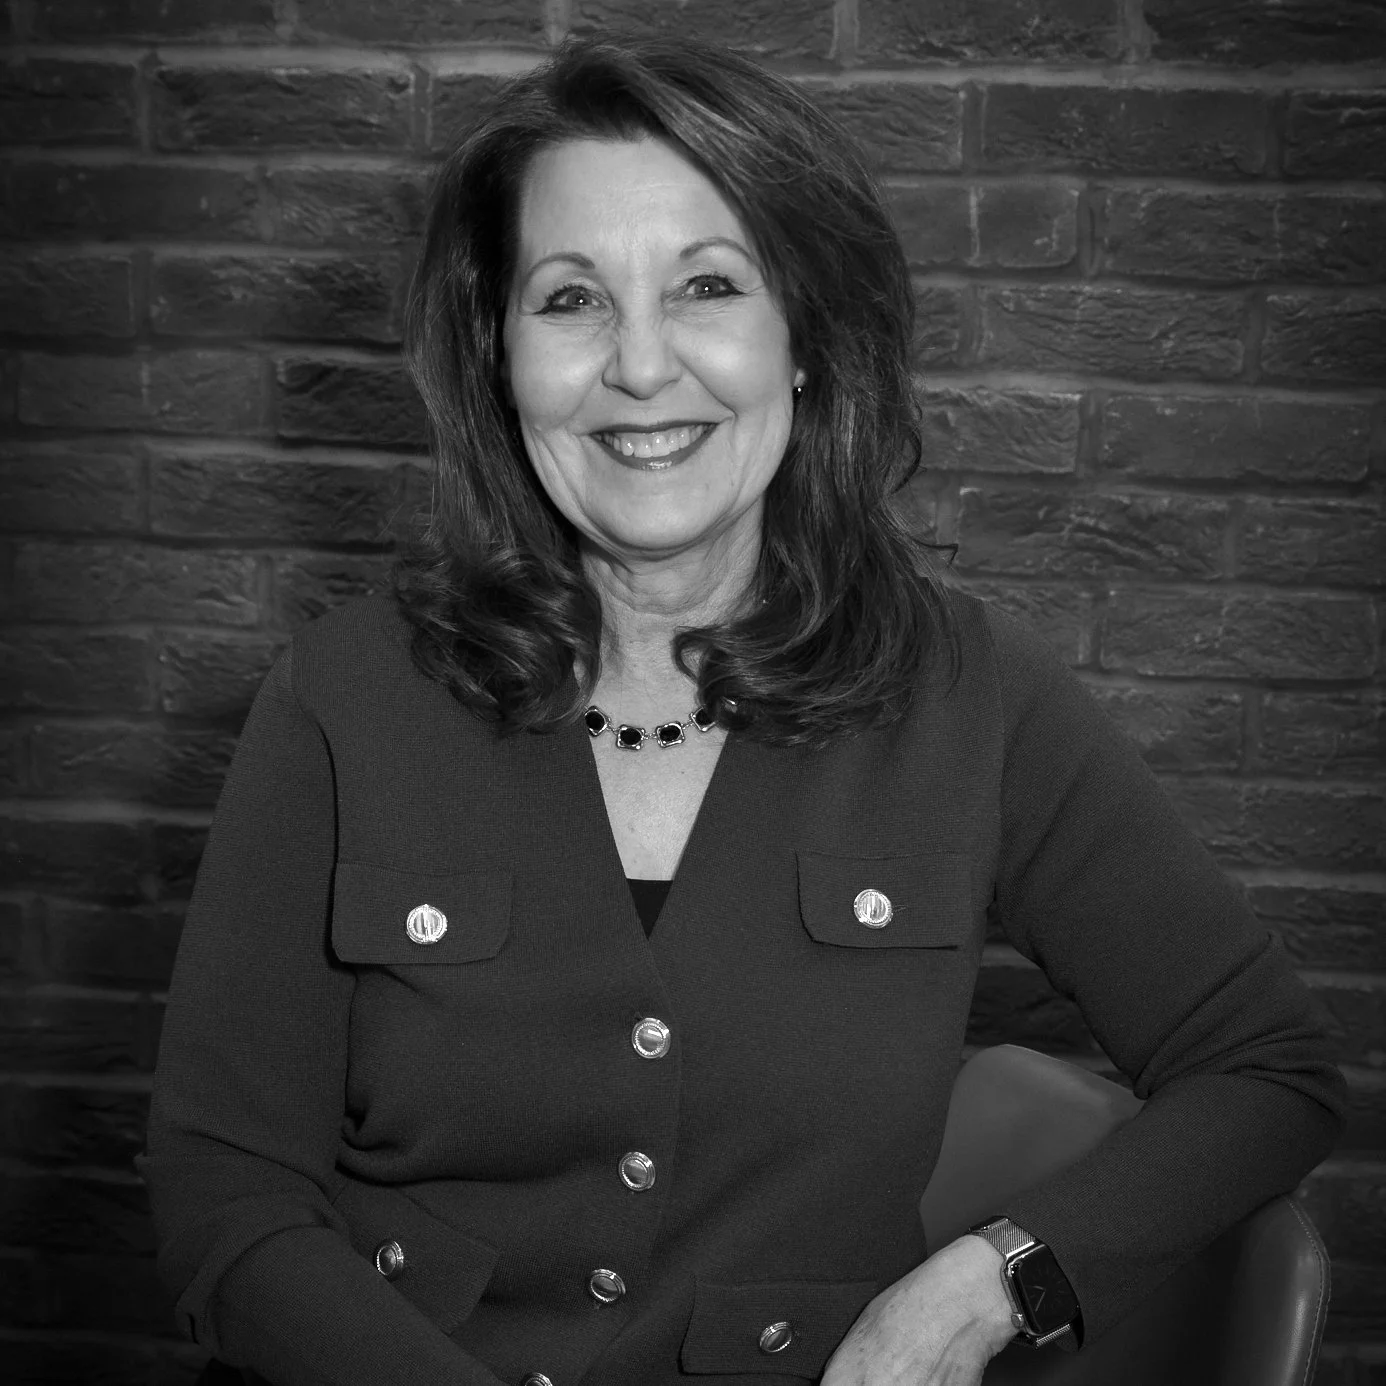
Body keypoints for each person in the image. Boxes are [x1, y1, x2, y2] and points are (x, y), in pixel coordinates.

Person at [140, 34, 1346, 1386]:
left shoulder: (973, 693)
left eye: (706, 286)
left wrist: (985, 1281)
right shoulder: (339, 697)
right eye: (569, 301)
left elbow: (1267, 1068)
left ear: (808, 339)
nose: (640, 368)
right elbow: (225, 1198)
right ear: (497, 361)